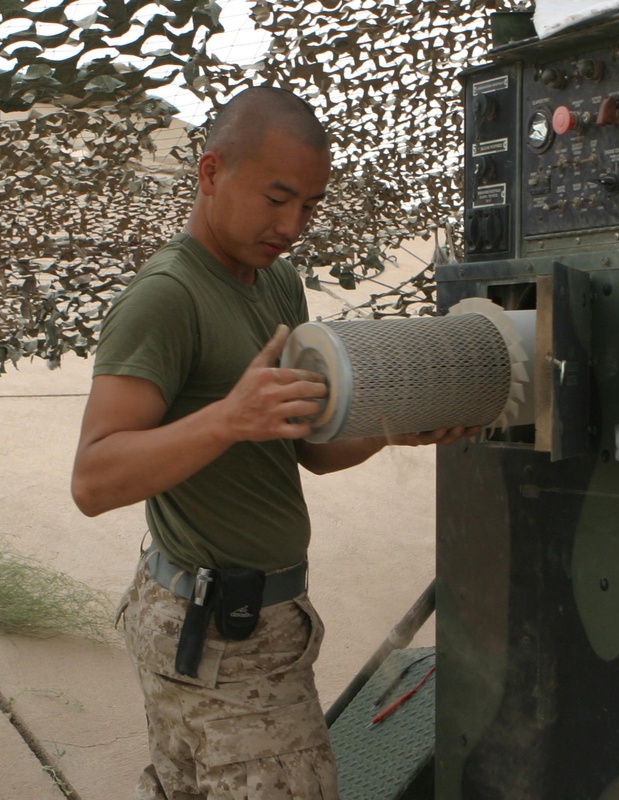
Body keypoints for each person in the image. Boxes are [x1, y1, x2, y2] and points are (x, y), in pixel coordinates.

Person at [71, 86, 474, 800]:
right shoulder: (166, 297)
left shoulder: (275, 283)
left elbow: (306, 448)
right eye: (277, 197)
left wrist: (391, 430)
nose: (292, 225)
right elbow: (94, 481)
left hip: (258, 626)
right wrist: (228, 417)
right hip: (220, 638)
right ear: (211, 172)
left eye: (310, 206)